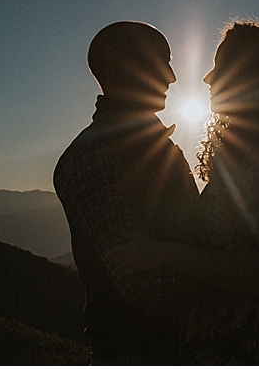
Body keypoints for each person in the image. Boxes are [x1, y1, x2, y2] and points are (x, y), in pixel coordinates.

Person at [106, 21, 259, 364]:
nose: (207, 79)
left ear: (254, 78)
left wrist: (158, 253)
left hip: (251, 345)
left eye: (220, 67)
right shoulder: (256, 156)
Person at [53, 21, 200, 364]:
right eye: (162, 62)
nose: (172, 77)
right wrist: (238, 277)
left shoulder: (150, 145)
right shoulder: (94, 157)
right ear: (126, 68)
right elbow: (144, 285)